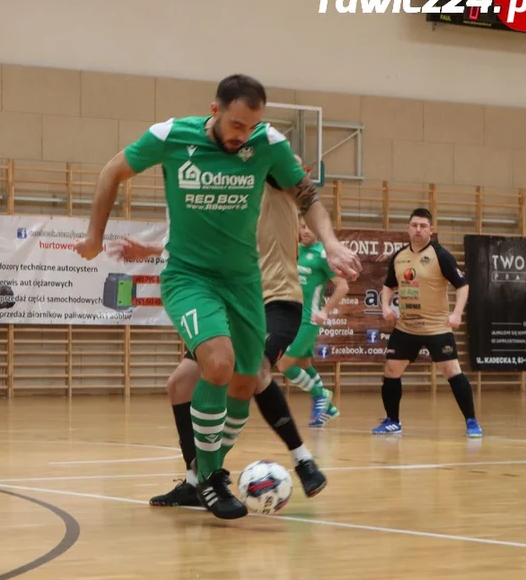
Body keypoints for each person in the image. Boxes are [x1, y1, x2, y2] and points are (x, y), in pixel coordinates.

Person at [75, 74, 360, 520]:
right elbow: (113, 170)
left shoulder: (267, 143)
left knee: (246, 380)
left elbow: (306, 195)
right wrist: (96, 235)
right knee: (218, 364)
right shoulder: (172, 136)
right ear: (215, 111)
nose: (243, 135)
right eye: (236, 124)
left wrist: (331, 243)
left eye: (251, 127)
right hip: (189, 278)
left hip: (245, 282)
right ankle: (209, 479)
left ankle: (208, 475)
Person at [110, 175, 335, 508]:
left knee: (253, 372)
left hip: (278, 300)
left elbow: (298, 175)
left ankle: (302, 460)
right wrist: (153, 250)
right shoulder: (226, 198)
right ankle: (193, 481)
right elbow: (201, 248)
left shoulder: (273, 177)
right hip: (235, 299)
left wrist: (332, 244)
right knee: (180, 384)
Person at [372, 208, 480, 438]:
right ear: (408, 228)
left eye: (423, 226)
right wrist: (385, 307)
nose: (418, 230)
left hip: (436, 327)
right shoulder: (399, 257)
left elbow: (463, 286)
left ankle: (471, 421)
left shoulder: (441, 255)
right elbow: (389, 286)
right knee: (391, 369)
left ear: (431, 229)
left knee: (452, 371)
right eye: (414, 225)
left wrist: (457, 313)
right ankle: (393, 421)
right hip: (406, 327)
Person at [278, 216, 349, 426]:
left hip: (309, 319)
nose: (305, 230)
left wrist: (325, 311)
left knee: (283, 363)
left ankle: (320, 394)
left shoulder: (323, 255)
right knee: (302, 364)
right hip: (292, 316)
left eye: (309, 226)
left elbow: (343, 286)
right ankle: (328, 408)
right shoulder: (295, 250)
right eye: (301, 227)